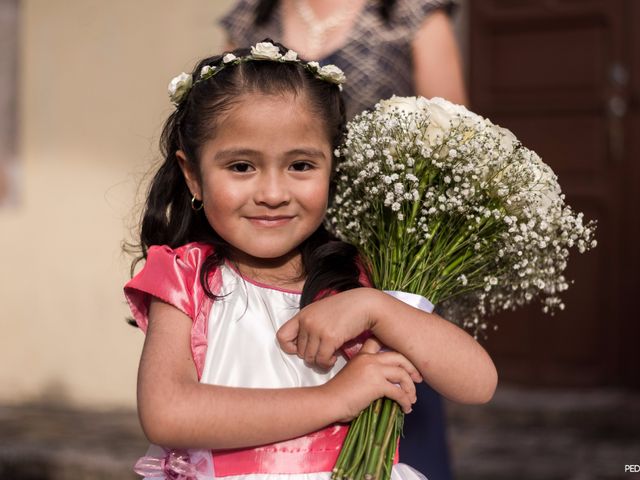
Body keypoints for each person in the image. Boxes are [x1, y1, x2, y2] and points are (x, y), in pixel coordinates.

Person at [124, 40, 496, 480]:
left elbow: (477, 383)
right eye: (242, 167)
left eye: (301, 166)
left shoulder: (354, 277)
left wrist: (376, 308)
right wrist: (335, 399)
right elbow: (168, 413)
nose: (273, 194)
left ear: (333, 170)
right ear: (194, 176)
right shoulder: (185, 276)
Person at [220, 2, 466, 477]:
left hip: (382, 262)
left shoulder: (411, 15)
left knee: (400, 413)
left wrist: (388, 294)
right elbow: (226, 124)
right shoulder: (250, 20)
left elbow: (452, 153)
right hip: (274, 253)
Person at [219, 0, 467, 120]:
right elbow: (222, 112)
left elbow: (450, 128)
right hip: (276, 202)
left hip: (381, 209)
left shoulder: (410, 10)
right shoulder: (252, 15)